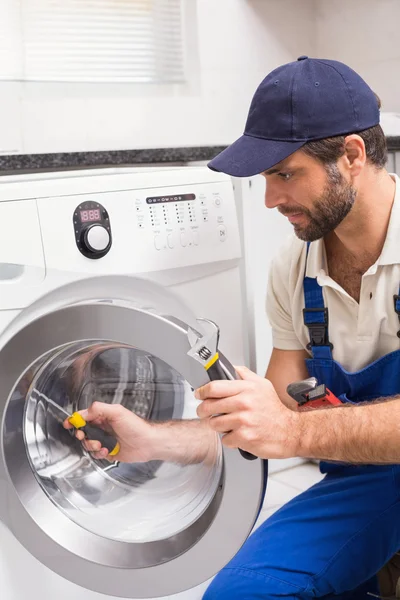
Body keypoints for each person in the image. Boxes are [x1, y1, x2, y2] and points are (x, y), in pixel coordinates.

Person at [65, 56, 400, 599]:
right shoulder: (295, 269)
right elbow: (273, 417)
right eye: (267, 177)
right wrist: (156, 440)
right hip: (367, 481)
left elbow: (289, 429)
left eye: (285, 173)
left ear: (352, 155)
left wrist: (289, 431)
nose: (270, 199)